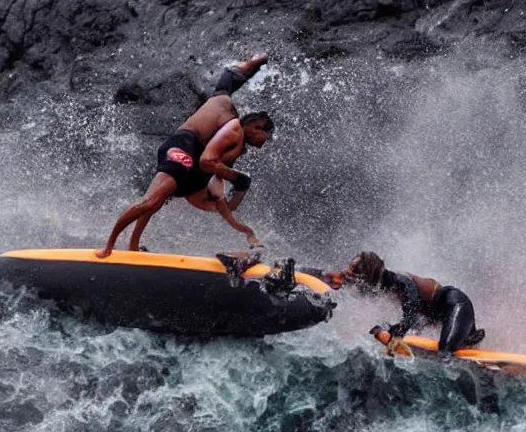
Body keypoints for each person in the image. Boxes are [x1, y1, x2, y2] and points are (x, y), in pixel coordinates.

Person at [95, 54, 275, 257]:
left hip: (194, 163)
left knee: (158, 202)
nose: (263, 144)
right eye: (265, 136)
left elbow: (228, 79)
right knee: (151, 201)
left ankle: (133, 246)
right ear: (256, 125)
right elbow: (209, 162)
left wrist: (255, 64)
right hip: (183, 145)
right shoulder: (232, 124)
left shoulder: (232, 138)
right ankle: (108, 247)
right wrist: (237, 178)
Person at [313, 252, 485, 353]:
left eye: (352, 274)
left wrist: (389, 335)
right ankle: (466, 341)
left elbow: (409, 317)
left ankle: (467, 340)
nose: (348, 276)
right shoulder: (374, 283)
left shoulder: (402, 283)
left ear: (366, 277)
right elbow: (332, 278)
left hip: (455, 304)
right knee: (444, 343)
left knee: (446, 349)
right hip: (433, 317)